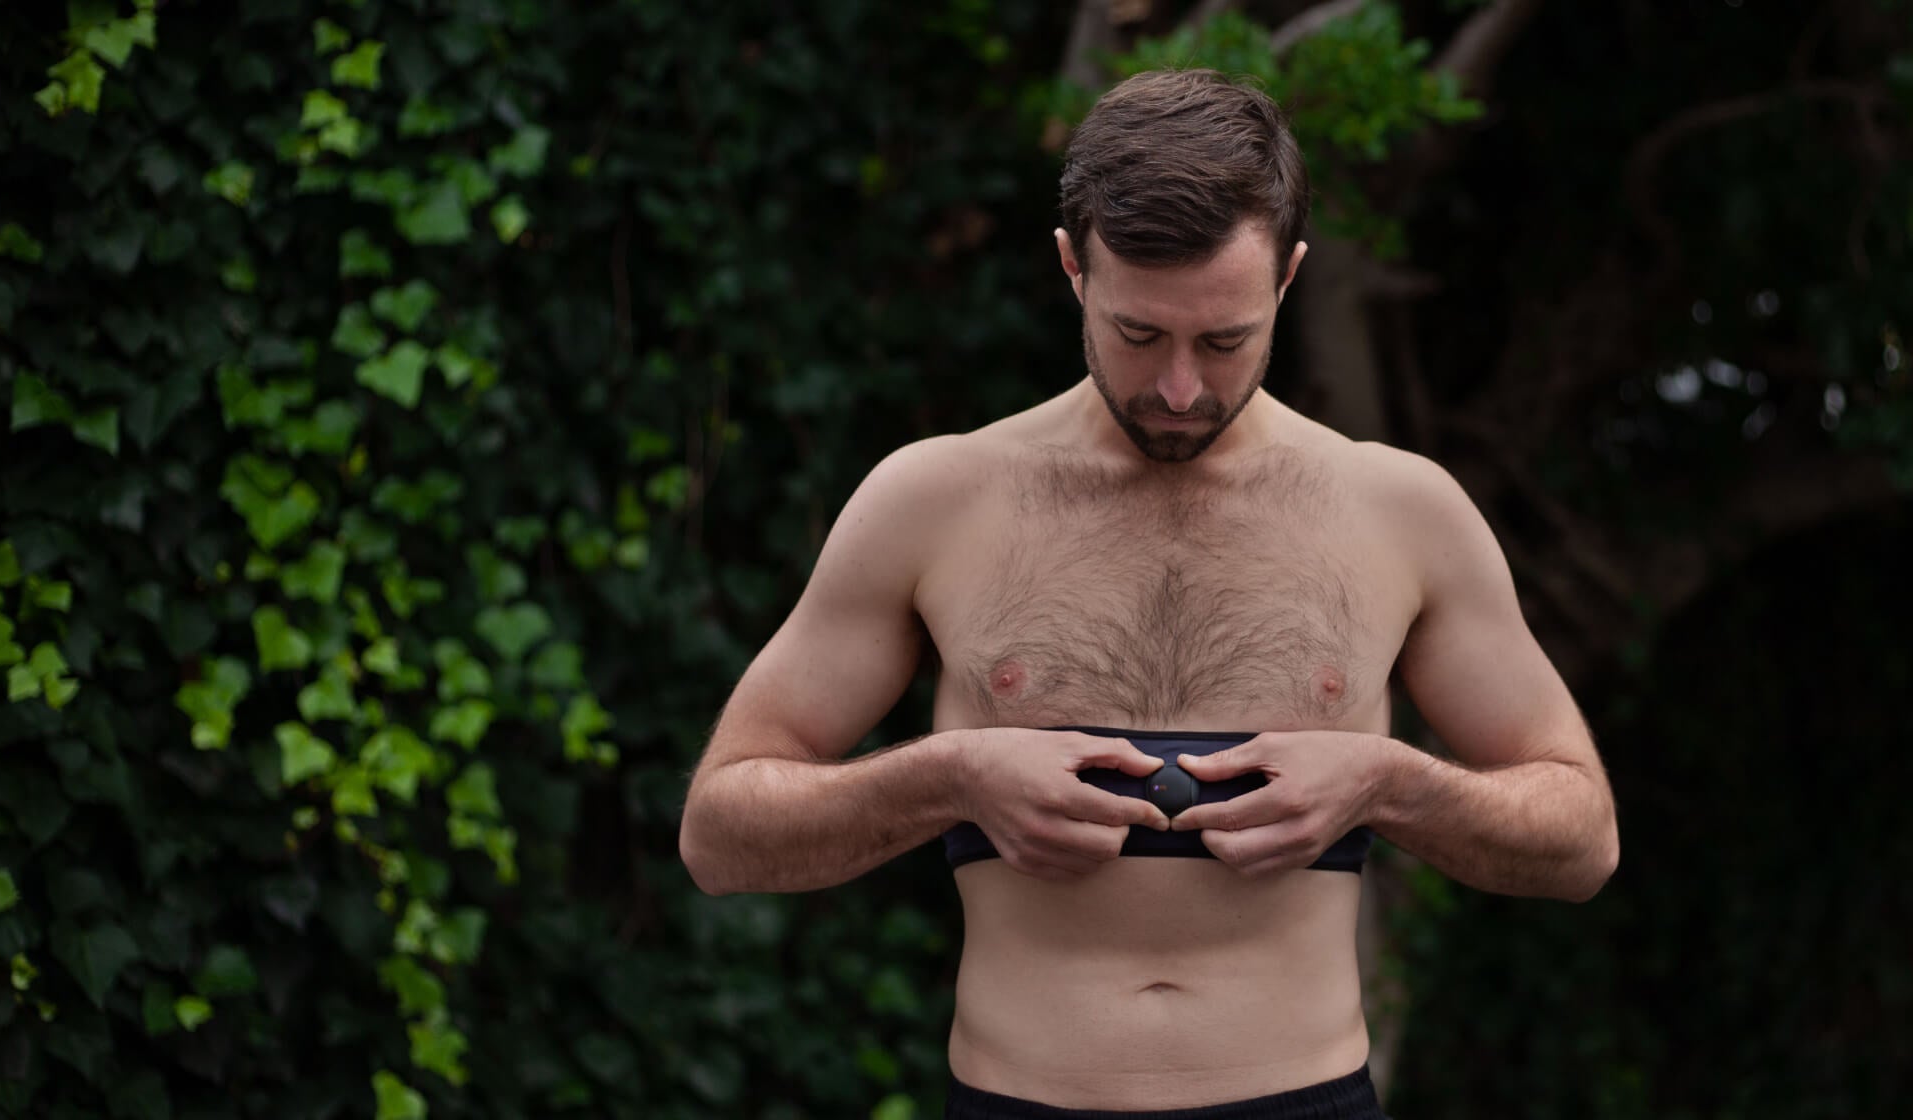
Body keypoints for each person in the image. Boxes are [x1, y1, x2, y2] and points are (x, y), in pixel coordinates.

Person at [680, 68, 1619, 1120]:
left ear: (1289, 281)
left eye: (1224, 342)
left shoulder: (1399, 511)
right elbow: (721, 834)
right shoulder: (933, 499)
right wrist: (952, 775)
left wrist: (1387, 783)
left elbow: (1580, 837)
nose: (1180, 389)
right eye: (1140, 336)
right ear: (1073, 267)